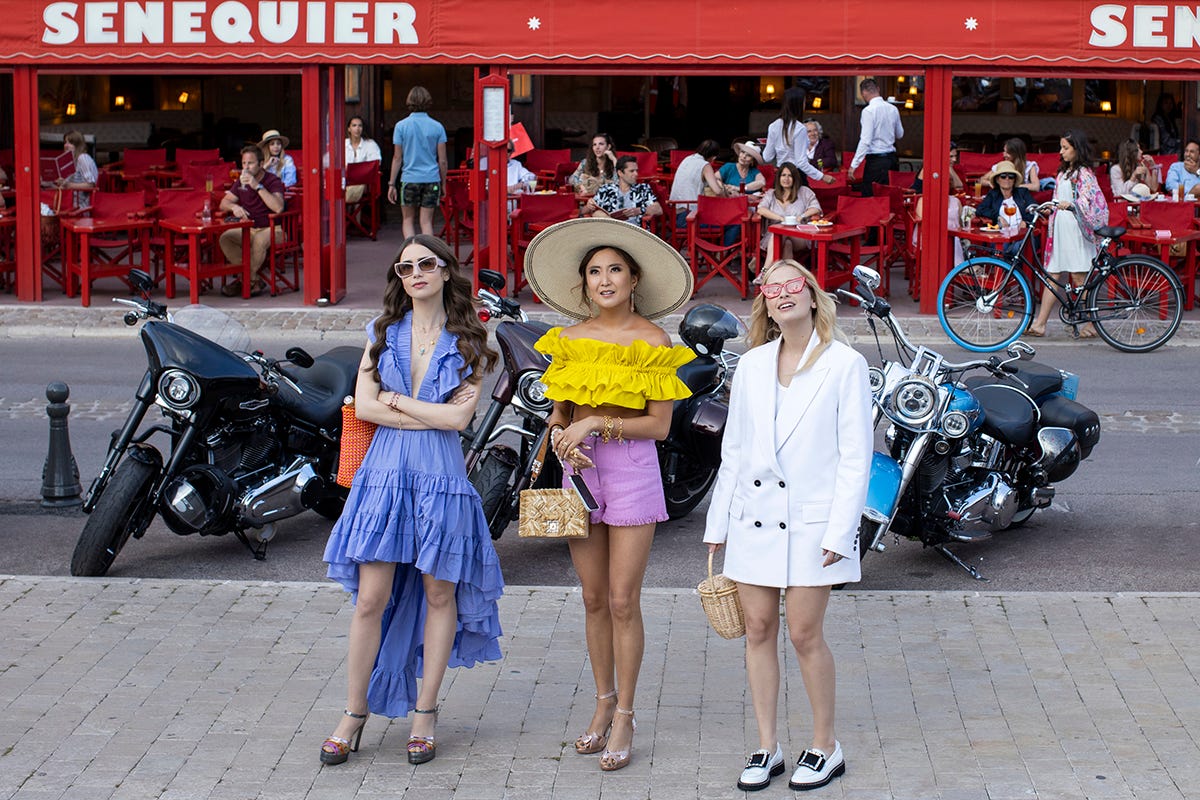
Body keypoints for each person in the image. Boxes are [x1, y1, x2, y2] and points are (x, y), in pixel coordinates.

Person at [320, 234, 503, 768]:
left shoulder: (470, 340)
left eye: (427, 264)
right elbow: (366, 409)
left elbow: (459, 420)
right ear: (399, 279)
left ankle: (425, 714)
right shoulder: (381, 333)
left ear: (446, 272)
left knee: (440, 595)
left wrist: (395, 402)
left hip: (441, 479)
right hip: (384, 477)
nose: (416, 273)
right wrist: (420, 408)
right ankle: (354, 713)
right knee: (370, 599)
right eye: (405, 267)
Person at [524, 217, 696, 773]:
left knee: (623, 600)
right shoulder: (567, 341)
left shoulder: (653, 341)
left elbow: (660, 428)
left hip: (631, 468)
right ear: (583, 284)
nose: (604, 279)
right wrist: (561, 435)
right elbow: (557, 413)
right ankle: (600, 704)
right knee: (593, 599)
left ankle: (626, 713)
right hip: (578, 469)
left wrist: (597, 422)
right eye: (594, 271)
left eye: (614, 270)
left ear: (633, 278)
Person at [703, 258, 871, 793]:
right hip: (752, 517)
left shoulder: (845, 364)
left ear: (813, 295)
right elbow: (734, 451)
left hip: (814, 524)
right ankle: (767, 745)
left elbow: (855, 457)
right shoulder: (750, 364)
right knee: (757, 630)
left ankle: (825, 744)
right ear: (764, 303)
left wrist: (841, 533)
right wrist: (717, 521)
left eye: (793, 285)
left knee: (803, 633)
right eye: (771, 289)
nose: (782, 294)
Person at [1028, 130, 1108, 339]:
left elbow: (1086, 199)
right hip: (1062, 228)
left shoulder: (1084, 173)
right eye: (1061, 147)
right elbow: (1058, 199)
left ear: (1076, 149)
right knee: (1052, 274)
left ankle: (1091, 324)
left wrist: (1069, 204)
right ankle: (1040, 324)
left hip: (1077, 229)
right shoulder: (1064, 173)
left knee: (1079, 276)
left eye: (1065, 148)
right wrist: (1050, 208)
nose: (1061, 152)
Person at [218, 144, 286, 298]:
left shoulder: (272, 180)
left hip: (273, 229)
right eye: (243, 163)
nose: (246, 167)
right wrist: (234, 207)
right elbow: (223, 203)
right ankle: (253, 280)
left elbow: (278, 208)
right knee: (226, 238)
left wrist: (257, 186)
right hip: (248, 228)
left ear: (261, 164)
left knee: (258, 242)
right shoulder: (241, 181)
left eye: (250, 163)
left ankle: (243, 281)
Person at [388, 86, 448, 237]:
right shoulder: (437, 127)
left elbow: (397, 158)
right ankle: (426, 256)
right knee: (426, 222)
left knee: (408, 220)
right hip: (431, 178)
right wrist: (444, 182)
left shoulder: (401, 126)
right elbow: (442, 161)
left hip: (409, 178)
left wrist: (391, 183)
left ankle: (410, 255)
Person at [764, 87, 836, 187]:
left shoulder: (773, 126)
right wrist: (822, 176)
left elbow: (767, 157)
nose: (805, 104)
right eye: (804, 101)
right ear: (798, 104)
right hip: (796, 175)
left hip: (781, 175)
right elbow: (801, 162)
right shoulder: (799, 128)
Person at [755, 162, 822, 260]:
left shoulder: (804, 191)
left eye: (790, 176)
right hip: (774, 236)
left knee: (781, 232)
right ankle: (787, 275)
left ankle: (765, 271)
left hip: (800, 235)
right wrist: (781, 218)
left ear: (795, 178)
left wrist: (801, 216)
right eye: (783, 175)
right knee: (787, 244)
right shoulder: (771, 194)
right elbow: (761, 209)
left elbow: (816, 208)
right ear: (779, 178)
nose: (786, 179)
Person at [850, 78, 903, 197]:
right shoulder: (893, 109)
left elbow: (865, 140)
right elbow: (900, 134)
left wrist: (854, 165)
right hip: (892, 160)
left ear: (863, 93)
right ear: (878, 89)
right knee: (890, 197)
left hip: (876, 162)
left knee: (871, 198)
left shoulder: (868, 111)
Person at [974, 160, 1035, 258]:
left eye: (1011, 176)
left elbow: (1034, 209)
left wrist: (1026, 222)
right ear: (998, 179)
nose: (1007, 179)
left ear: (1014, 180)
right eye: (1003, 176)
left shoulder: (1023, 193)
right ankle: (1006, 271)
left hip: (1021, 235)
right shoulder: (993, 194)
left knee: (1016, 248)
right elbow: (980, 209)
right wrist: (998, 217)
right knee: (1003, 247)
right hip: (1001, 235)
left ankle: (1011, 272)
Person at [585, 155, 661, 226]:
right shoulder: (606, 189)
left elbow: (658, 209)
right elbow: (584, 211)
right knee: (598, 213)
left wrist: (640, 210)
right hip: (610, 232)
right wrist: (589, 206)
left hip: (635, 231)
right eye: (632, 171)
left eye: (636, 170)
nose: (636, 174)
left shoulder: (642, 188)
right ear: (620, 173)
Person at [668, 139, 726, 226]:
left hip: (675, 214)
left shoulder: (687, 159)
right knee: (731, 223)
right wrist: (725, 191)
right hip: (690, 217)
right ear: (714, 157)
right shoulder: (705, 165)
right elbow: (717, 191)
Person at [46, 131, 98, 210]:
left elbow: (91, 185)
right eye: (65, 142)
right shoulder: (70, 161)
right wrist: (49, 184)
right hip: (69, 203)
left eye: (70, 143)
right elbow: (66, 186)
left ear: (78, 145)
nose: (66, 145)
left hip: (82, 207)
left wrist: (69, 185)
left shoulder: (83, 158)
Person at [345, 115, 382, 204]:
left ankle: (351, 215)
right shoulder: (342, 144)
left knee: (358, 186)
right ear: (349, 129)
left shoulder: (370, 144)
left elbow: (376, 163)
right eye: (354, 125)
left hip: (364, 183)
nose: (357, 128)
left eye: (360, 126)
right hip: (345, 182)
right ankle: (350, 216)